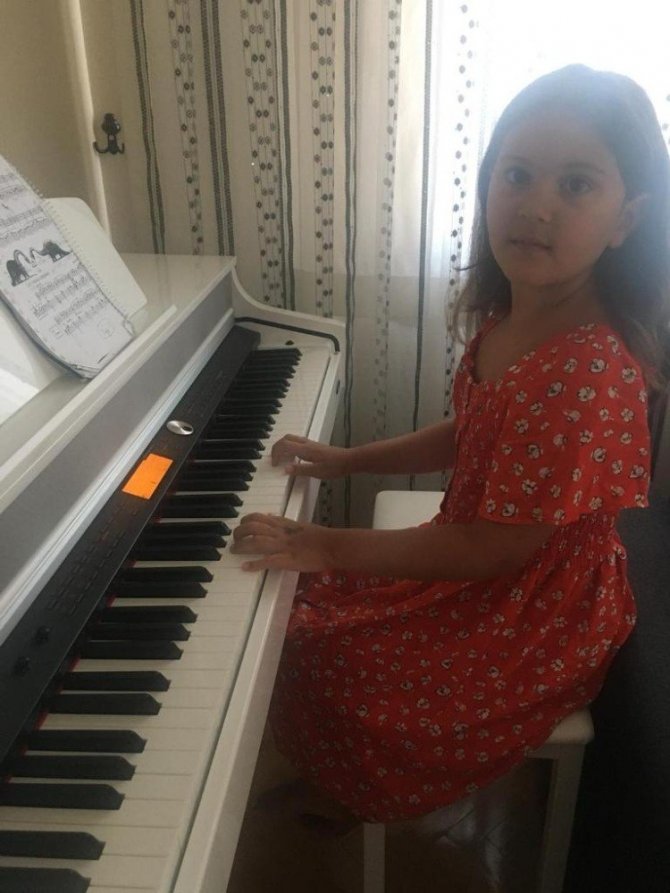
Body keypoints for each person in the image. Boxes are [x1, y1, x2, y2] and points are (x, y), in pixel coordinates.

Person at [231, 64, 670, 826]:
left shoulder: (589, 367)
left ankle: (352, 780)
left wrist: (324, 542)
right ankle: (336, 768)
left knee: (317, 649)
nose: (536, 205)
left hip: (538, 607)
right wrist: (346, 459)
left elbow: (495, 549)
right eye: (518, 174)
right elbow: (472, 429)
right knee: (296, 612)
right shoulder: (514, 314)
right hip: (481, 560)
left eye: (576, 185)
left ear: (625, 220)